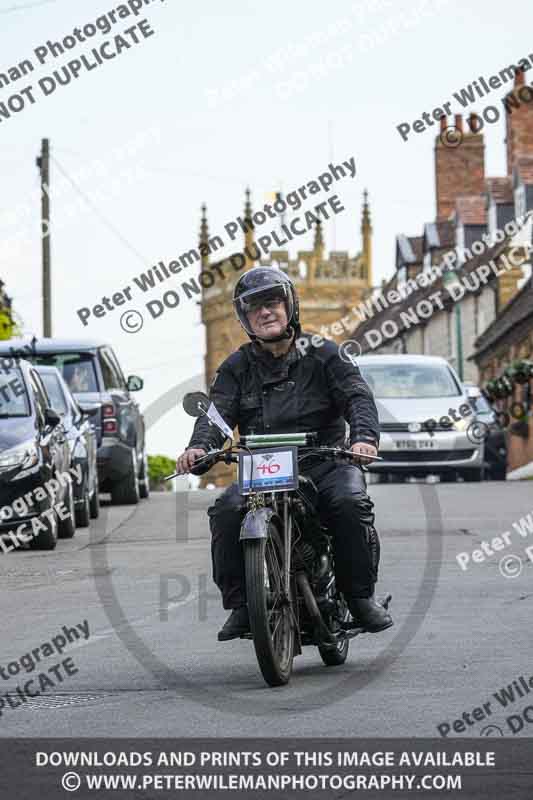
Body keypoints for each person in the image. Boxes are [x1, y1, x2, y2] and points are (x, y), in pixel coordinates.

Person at [175, 267, 393, 641]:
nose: (265, 312)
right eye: (254, 307)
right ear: (244, 318)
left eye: (272, 302)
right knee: (226, 511)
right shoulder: (235, 367)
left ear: (289, 306)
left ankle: (359, 597)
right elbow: (218, 416)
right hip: (264, 465)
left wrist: (364, 438)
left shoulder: (326, 354)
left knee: (349, 503)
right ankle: (243, 606)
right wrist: (200, 447)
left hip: (324, 460)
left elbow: (357, 397)